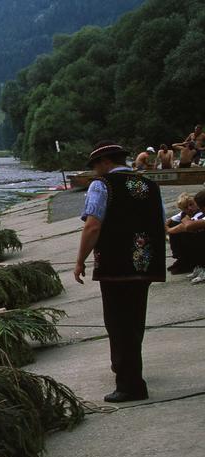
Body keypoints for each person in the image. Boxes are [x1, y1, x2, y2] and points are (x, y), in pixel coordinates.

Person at [74, 141, 165, 403]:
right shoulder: (149, 185)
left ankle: (130, 384)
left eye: (95, 166)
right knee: (134, 321)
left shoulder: (102, 186)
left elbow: (92, 225)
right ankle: (126, 368)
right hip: (144, 263)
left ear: (104, 162)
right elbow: (159, 223)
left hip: (115, 265)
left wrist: (80, 260)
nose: (94, 172)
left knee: (117, 323)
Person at [166, 191, 205, 275]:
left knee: (189, 229)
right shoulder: (185, 213)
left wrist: (169, 230)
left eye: (191, 204)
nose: (190, 208)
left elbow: (187, 226)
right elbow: (170, 221)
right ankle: (182, 259)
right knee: (174, 223)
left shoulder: (199, 213)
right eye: (186, 207)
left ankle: (198, 264)